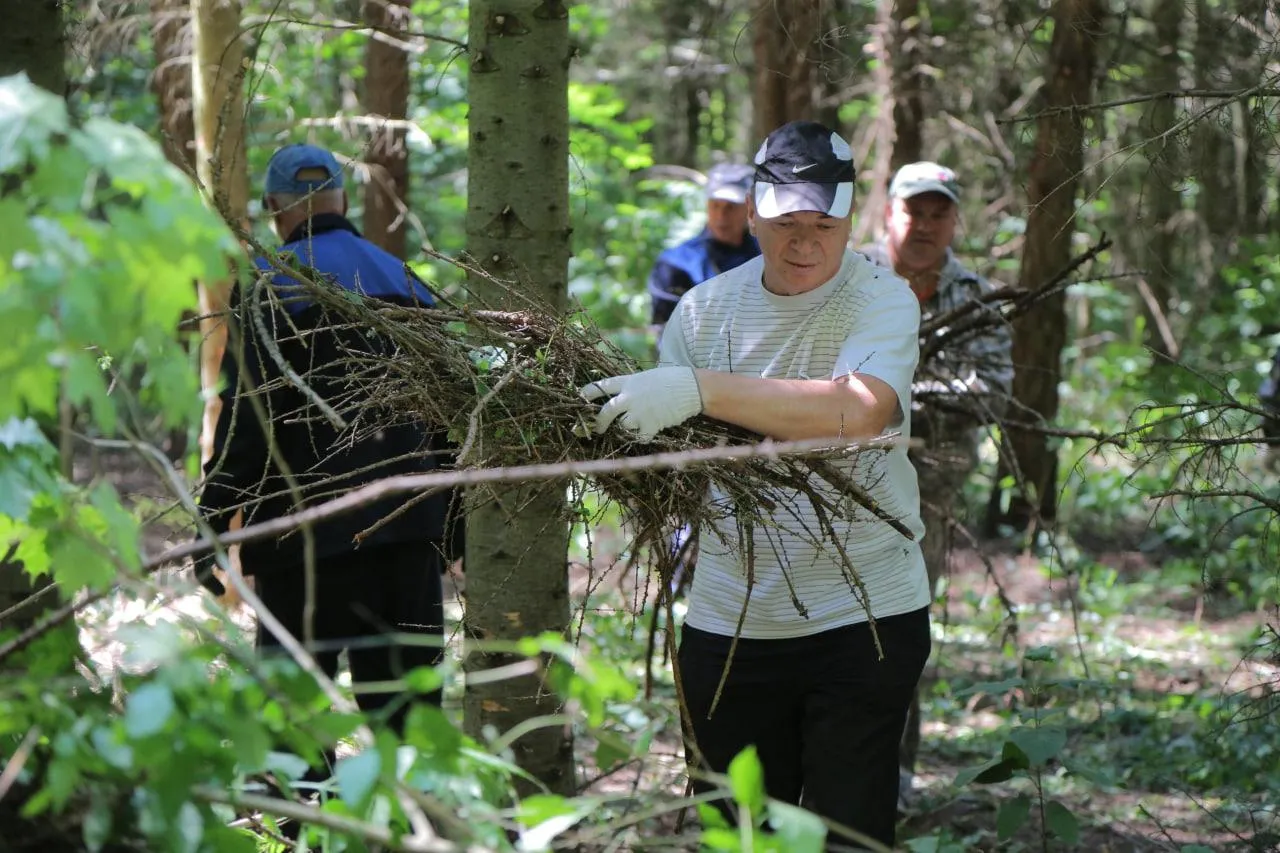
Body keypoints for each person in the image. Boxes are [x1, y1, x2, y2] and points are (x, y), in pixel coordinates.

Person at [582, 121, 930, 850]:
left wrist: (699, 389)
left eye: (822, 225)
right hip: (731, 622)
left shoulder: (883, 300)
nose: (803, 243)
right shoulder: (704, 311)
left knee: (847, 833)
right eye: (784, 224)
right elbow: (676, 462)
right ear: (754, 211)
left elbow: (857, 410)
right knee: (738, 833)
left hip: (864, 614)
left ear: (848, 216)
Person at [195, 143, 460, 735]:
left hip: (305, 542)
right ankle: (415, 826)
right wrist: (453, 526)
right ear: (343, 199)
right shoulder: (407, 280)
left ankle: (297, 830)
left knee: (295, 725)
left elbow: (248, 419)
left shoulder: (270, 282)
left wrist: (213, 517)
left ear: (274, 209)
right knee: (410, 728)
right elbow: (450, 415)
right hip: (407, 536)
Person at [860, 161, 1013, 792]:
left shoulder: (975, 294)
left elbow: (991, 391)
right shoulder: (851, 277)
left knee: (899, 620)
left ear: (954, 221)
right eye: (912, 211)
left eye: (937, 213)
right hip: (839, 471)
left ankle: (892, 770)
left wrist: (885, 393)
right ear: (887, 213)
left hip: (929, 487)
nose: (923, 225)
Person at [648, 161, 760, 336]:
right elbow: (666, 333)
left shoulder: (769, 256)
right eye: (716, 205)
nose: (721, 216)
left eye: (731, 207)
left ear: (750, 208)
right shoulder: (676, 264)